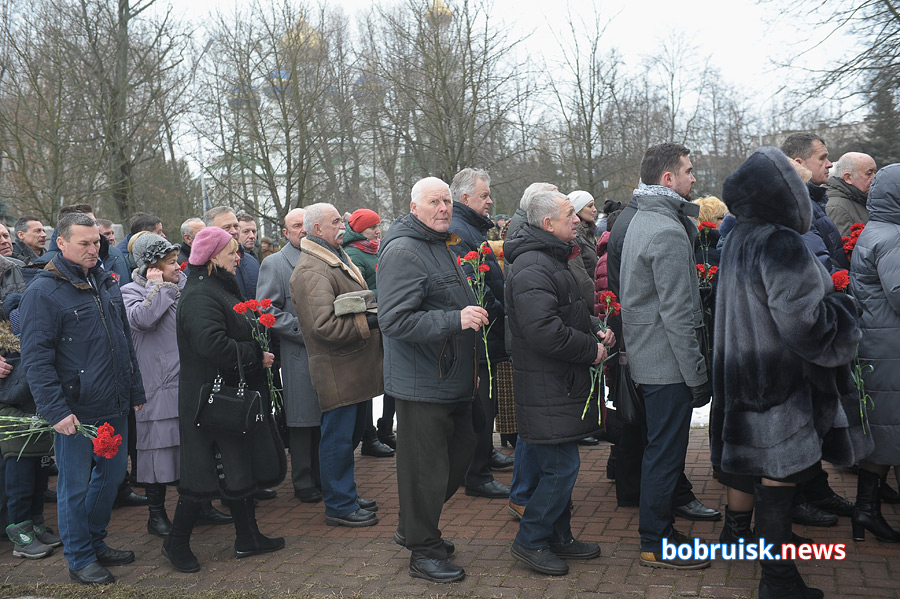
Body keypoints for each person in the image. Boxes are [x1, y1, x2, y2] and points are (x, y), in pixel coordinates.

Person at [713, 146, 863, 597]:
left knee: (751, 464)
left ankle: (746, 541)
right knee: (778, 472)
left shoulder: (740, 235)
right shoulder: (780, 241)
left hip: (745, 373)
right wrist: (843, 313)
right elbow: (804, 323)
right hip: (780, 380)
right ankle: (776, 578)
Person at [20, 212, 146, 585]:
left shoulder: (104, 281)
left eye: (97, 243)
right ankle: (79, 558)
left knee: (109, 481)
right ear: (61, 243)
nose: (94, 249)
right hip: (75, 411)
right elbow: (36, 360)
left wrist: (135, 388)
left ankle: (94, 541)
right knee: (73, 488)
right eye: (85, 243)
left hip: (115, 403)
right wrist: (55, 410)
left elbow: (123, 341)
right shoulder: (42, 292)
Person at [377, 177, 487, 583]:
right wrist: (455, 319)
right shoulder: (405, 250)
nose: (443, 208)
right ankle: (423, 551)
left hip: (450, 377)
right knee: (426, 470)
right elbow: (393, 320)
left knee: (460, 454)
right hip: (423, 382)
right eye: (434, 202)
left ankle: (414, 527)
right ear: (414, 207)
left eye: (446, 201)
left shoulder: (439, 244)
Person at [163, 226, 286, 573]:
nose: (238, 257)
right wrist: (255, 354)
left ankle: (248, 538)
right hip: (209, 400)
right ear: (214, 256)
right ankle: (175, 542)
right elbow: (212, 345)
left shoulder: (215, 288)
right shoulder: (201, 295)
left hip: (226, 396)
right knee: (201, 476)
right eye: (232, 251)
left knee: (237, 467)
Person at [504, 189, 612, 576]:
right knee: (560, 468)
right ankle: (530, 540)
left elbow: (569, 311)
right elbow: (543, 331)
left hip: (559, 382)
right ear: (548, 224)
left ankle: (558, 536)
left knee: (561, 464)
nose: (578, 219)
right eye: (570, 214)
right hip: (547, 384)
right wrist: (590, 350)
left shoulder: (553, 258)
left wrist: (597, 330)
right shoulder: (534, 265)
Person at [621, 142, 712, 570]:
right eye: (689, 171)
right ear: (668, 179)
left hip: (648, 359)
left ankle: (659, 533)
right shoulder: (666, 231)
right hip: (666, 365)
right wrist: (697, 375)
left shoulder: (644, 218)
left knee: (660, 451)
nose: (695, 178)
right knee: (665, 455)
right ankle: (656, 542)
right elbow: (677, 314)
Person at [290, 203, 384, 528]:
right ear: (317, 230)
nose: (343, 227)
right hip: (337, 371)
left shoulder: (334, 258)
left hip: (351, 370)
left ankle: (346, 494)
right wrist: (371, 322)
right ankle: (340, 505)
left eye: (342, 222)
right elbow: (322, 326)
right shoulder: (312, 270)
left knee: (350, 436)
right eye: (335, 223)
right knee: (337, 441)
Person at [781, 133, 856, 526]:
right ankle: (793, 500)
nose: (830, 165)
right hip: (804, 336)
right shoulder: (790, 217)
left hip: (821, 326)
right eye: (823, 158)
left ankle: (815, 487)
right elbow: (806, 274)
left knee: (812, 418)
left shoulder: (815, 205)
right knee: (797, 422)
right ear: (798, 163)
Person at [448, 168, 513, 501]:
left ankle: (484, 456)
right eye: (484, 195)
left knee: (487, 404)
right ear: (465, 199)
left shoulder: (470, 230)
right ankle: (477, 474)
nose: (490, 201)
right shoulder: (460, 234)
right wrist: (500, 310)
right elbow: (471, 288)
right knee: (481, 405)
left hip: (488, 334)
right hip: (479, 339)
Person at [256, 208, 323, 504]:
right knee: (301, 421)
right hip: (298, 353)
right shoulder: (275, 263)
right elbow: (265, 309)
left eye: (305, 225)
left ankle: (323, 477)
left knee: (325, 419)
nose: (302, 230)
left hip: (328, 353)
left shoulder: (324, 256)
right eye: (296, 226)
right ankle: (304, 481)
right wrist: (304, 329)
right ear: (285, 232)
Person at [848, 162, 900, 543]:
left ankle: (866, 511)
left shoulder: (875, 231)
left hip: (878, 344)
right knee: (887, 430)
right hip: (890, 349)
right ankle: (866, 511)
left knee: (884, 429)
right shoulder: (893, 238)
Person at [121, 233, 185, 538]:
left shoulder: (180, 285)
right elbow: (143, 320)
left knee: (189, 448)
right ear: (152, 266)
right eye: (171, 262)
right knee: (156, 451)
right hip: (156, 386)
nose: (178, 266)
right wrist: (157, 287)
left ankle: (196, 505)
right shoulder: (129, 292)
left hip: (183, 381)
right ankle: (156, 514)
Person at [341, 208, 395, 458]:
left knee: (390, 379)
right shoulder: (353, 253)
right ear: (360, 229)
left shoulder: (375, 249)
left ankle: (385, 428)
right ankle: (370, 435)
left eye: (378, 225)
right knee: (371, 383)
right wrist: (391, 294)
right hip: (371, 325)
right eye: (372, 226)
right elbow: (358, 292)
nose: (377, 230)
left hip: (385, 321)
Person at [203, 206, 259, 301]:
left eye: (236, 226)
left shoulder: (252, 262)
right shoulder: (201, 269)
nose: (234, 231)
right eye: (227, 227)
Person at [826, 152, 877, 236]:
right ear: (848, 177)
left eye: (874, 172)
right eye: (869, 173)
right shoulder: (836, 208)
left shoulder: (860, 198)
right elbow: (844, 247)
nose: (874, 178)